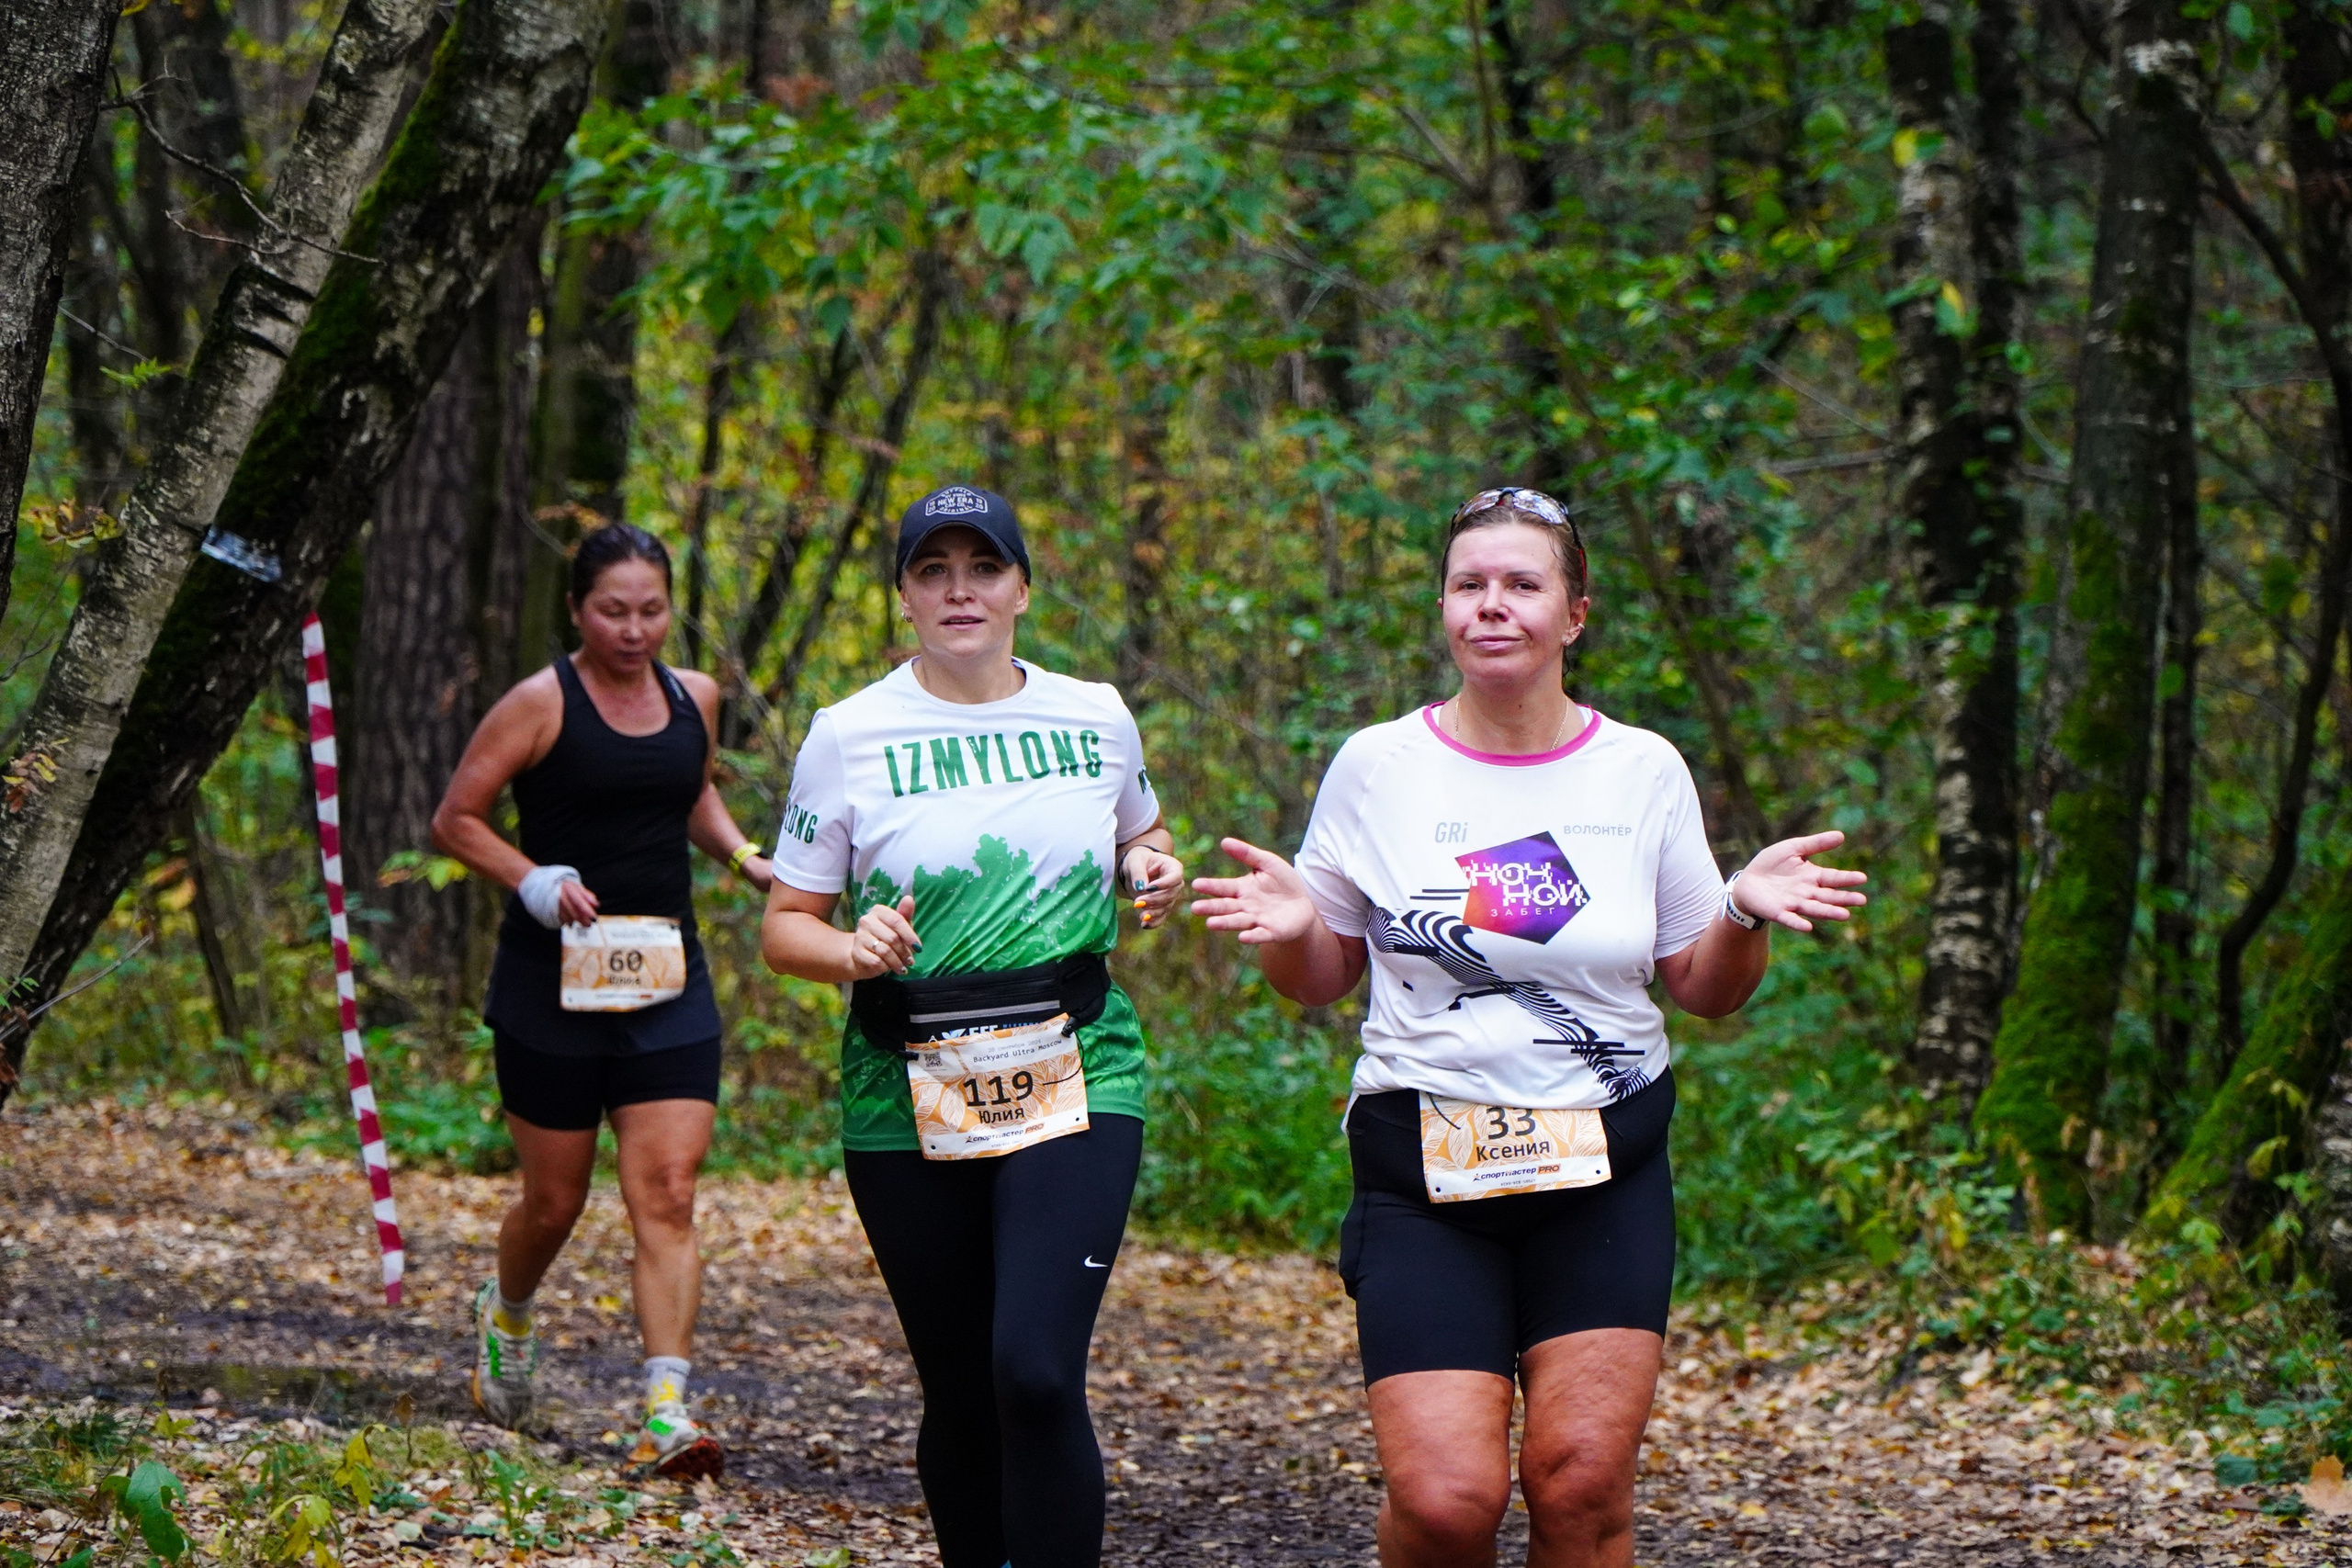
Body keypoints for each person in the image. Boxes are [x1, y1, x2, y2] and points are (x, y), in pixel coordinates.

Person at [1189, 486, 1866, 1568]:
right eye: (1468, 585)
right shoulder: (1378, 766)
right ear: (1444, 609)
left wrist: (1740, 911)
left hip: (1604, 1168)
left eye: (1520, 584)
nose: (1491, 606)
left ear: (1574, 614)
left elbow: (1702, 988)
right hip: (1426, 1175)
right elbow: (1318, 978)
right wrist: (1288, 929)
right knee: (1448, 1500)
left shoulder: (1640, 770)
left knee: (1580, 1486)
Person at [760, 484, 1182, 1568]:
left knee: (1033, 1371)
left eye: (982, 567)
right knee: (959, 1388)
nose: (959, 590)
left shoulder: (1094, 713)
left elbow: (1146, 833)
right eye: (931, 570)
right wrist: (849, 951)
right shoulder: (846, 735)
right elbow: (786, 926)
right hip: (904, 1084)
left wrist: (1149, 867)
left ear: (1022, 588)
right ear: (902, 597)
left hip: (1074, 1061)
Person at [431, 523, 775, 1479]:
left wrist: (747, 856)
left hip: (664, 977)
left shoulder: (692, 696)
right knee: (554, 1201)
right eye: (612, 611)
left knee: (665, 1192)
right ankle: (507, 1318)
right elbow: (456, 818)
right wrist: (531, 878)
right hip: (552, 984)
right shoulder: (540, 703)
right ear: (578, 610)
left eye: (652, 610)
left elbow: (690, 794)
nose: (633, 630)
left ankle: (666, 1411)